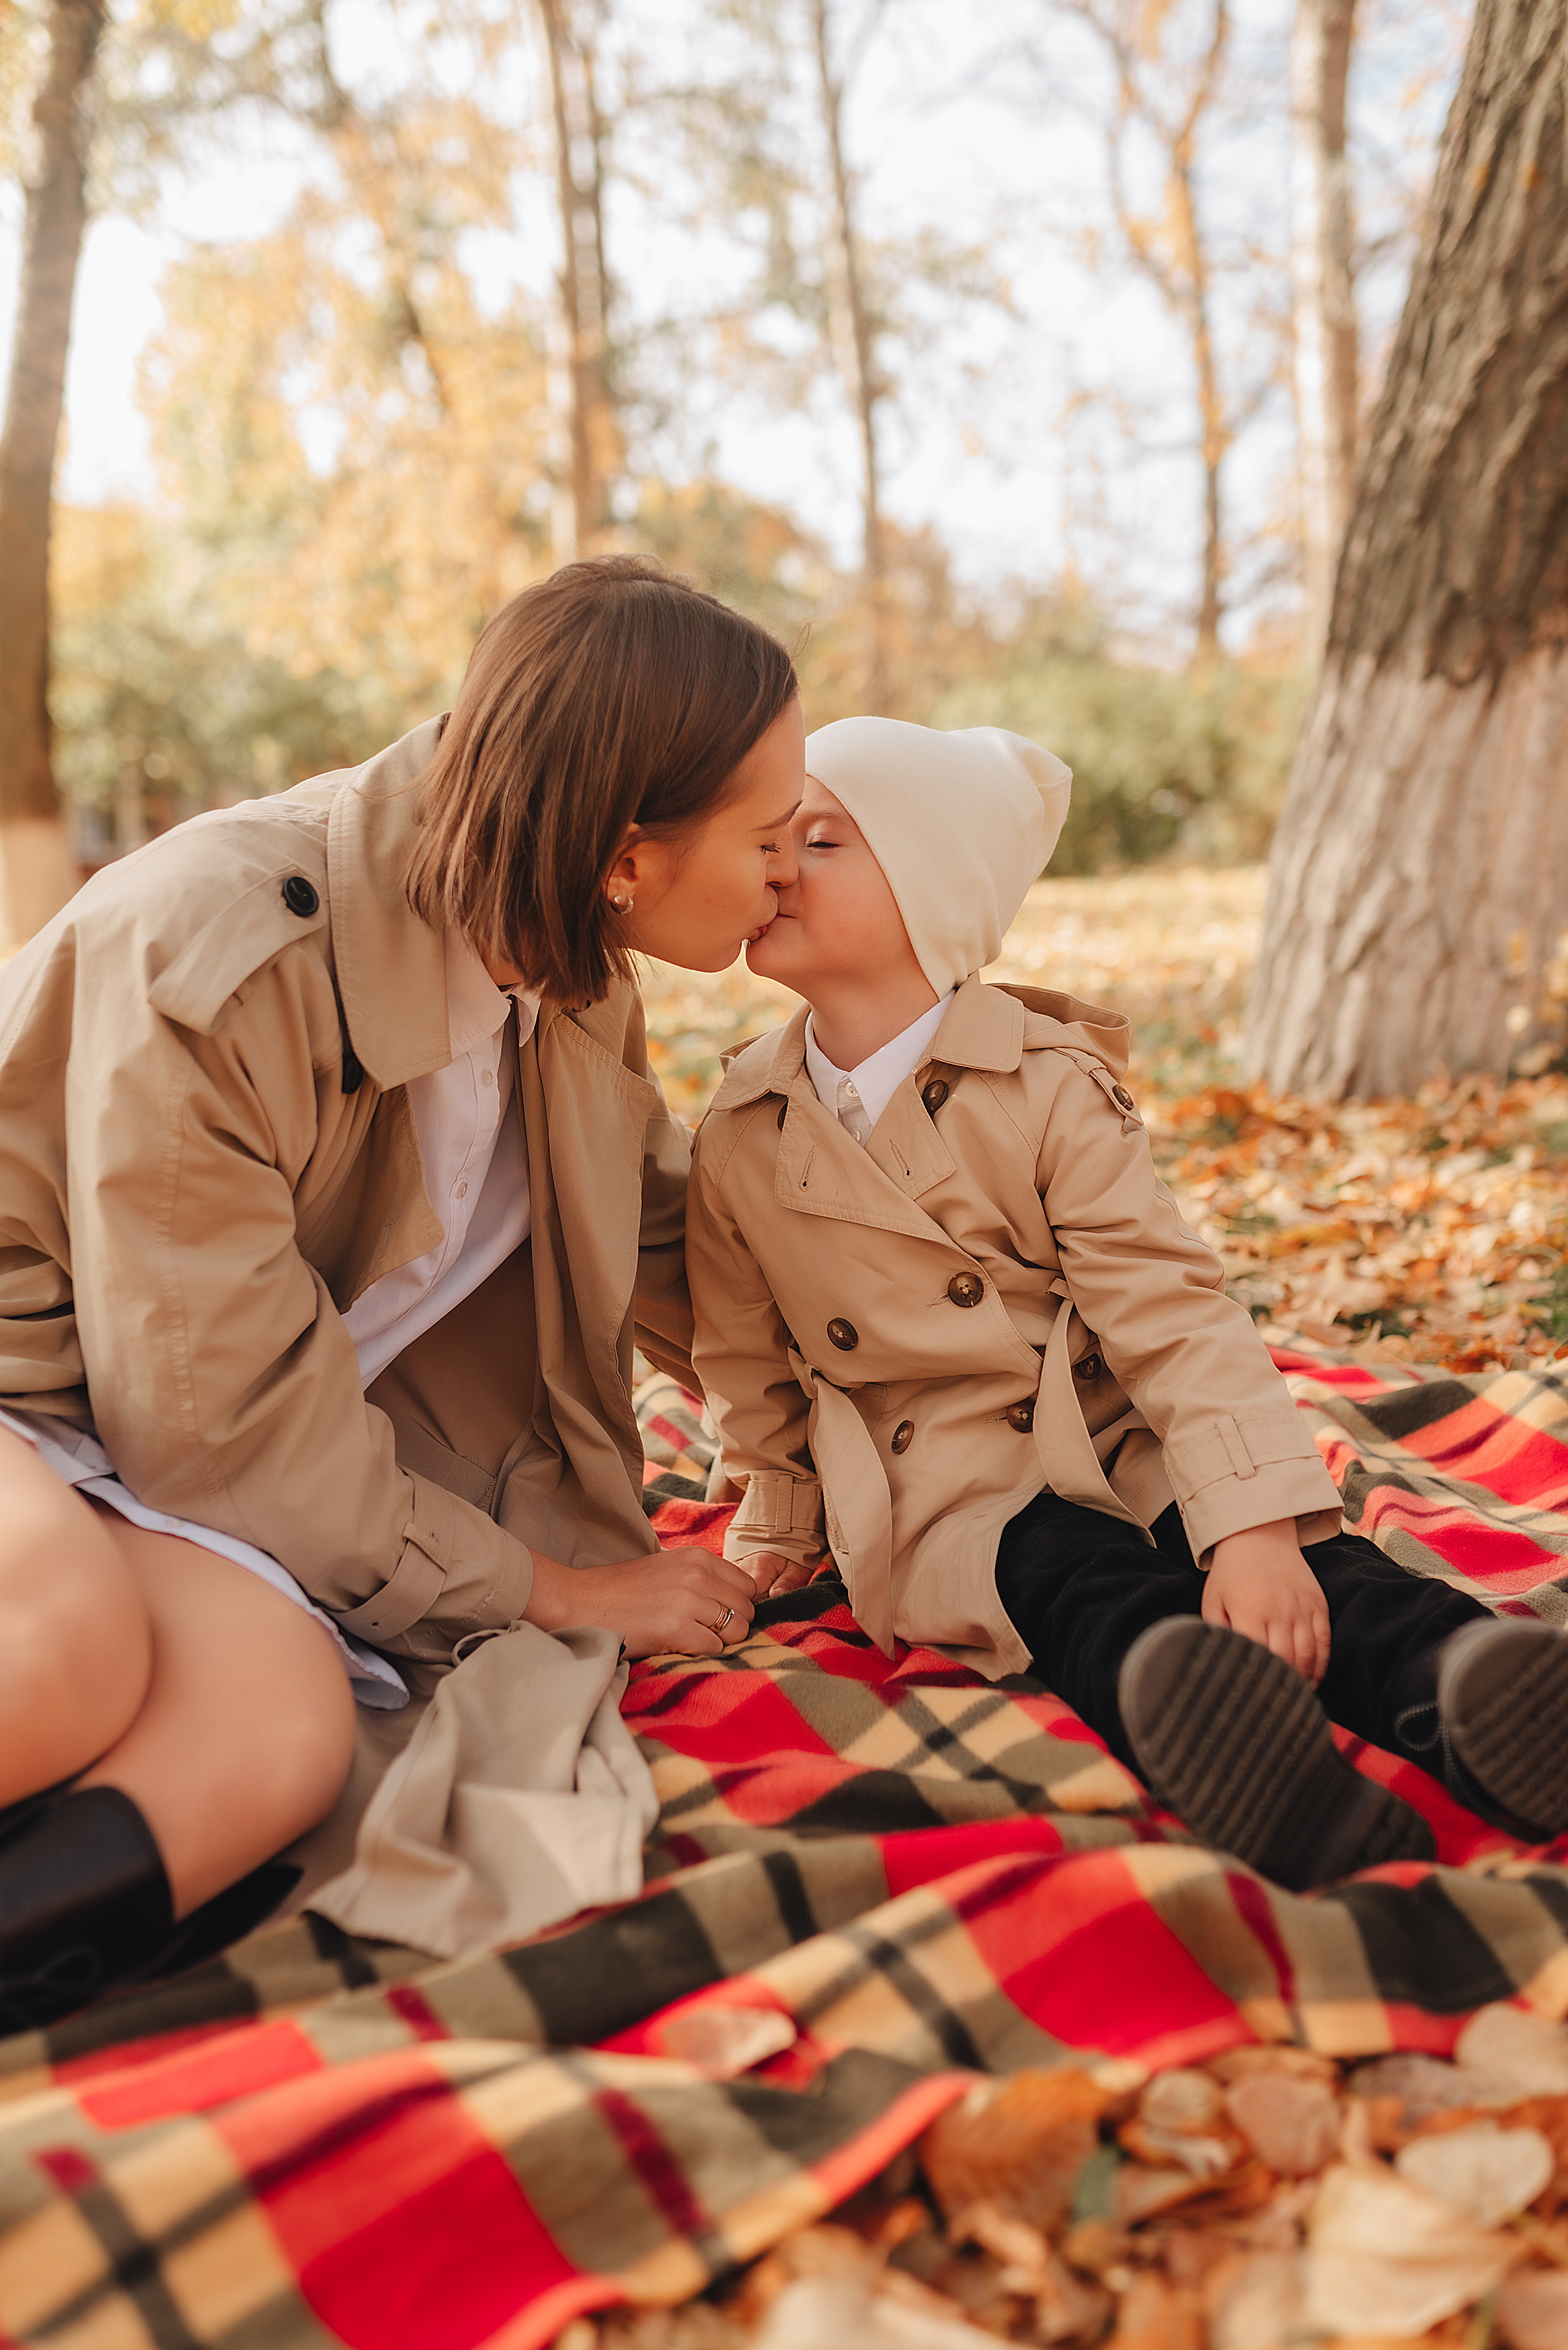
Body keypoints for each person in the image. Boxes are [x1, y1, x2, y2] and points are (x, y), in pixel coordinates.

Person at [0, 556, 804, 2028]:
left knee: (275, 1740)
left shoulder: (567, 966)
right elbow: (221, 1424)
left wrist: (931, 1393)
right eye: (768, 837)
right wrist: (560, 1588)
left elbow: (668, 1250)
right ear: (625, 854)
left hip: (138, 1446)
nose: (787, 872)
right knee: (62, 1655)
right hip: (56, 1389)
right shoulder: (226, 953)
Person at [686, 717, 1568, 1892]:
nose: (776, 864)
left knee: (1310, 1576)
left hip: (1107, 1425)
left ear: (931, 891)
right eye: (771, 838)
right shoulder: (742, 1127)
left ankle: (1465, 1688)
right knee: (1073, 1585)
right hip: (939, 1487)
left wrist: (1252, 1528)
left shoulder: (1044, 1084)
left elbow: (1168, 1308)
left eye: (823, 839)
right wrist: (777, 1523)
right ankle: (1247, 1754)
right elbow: (746, 1359)